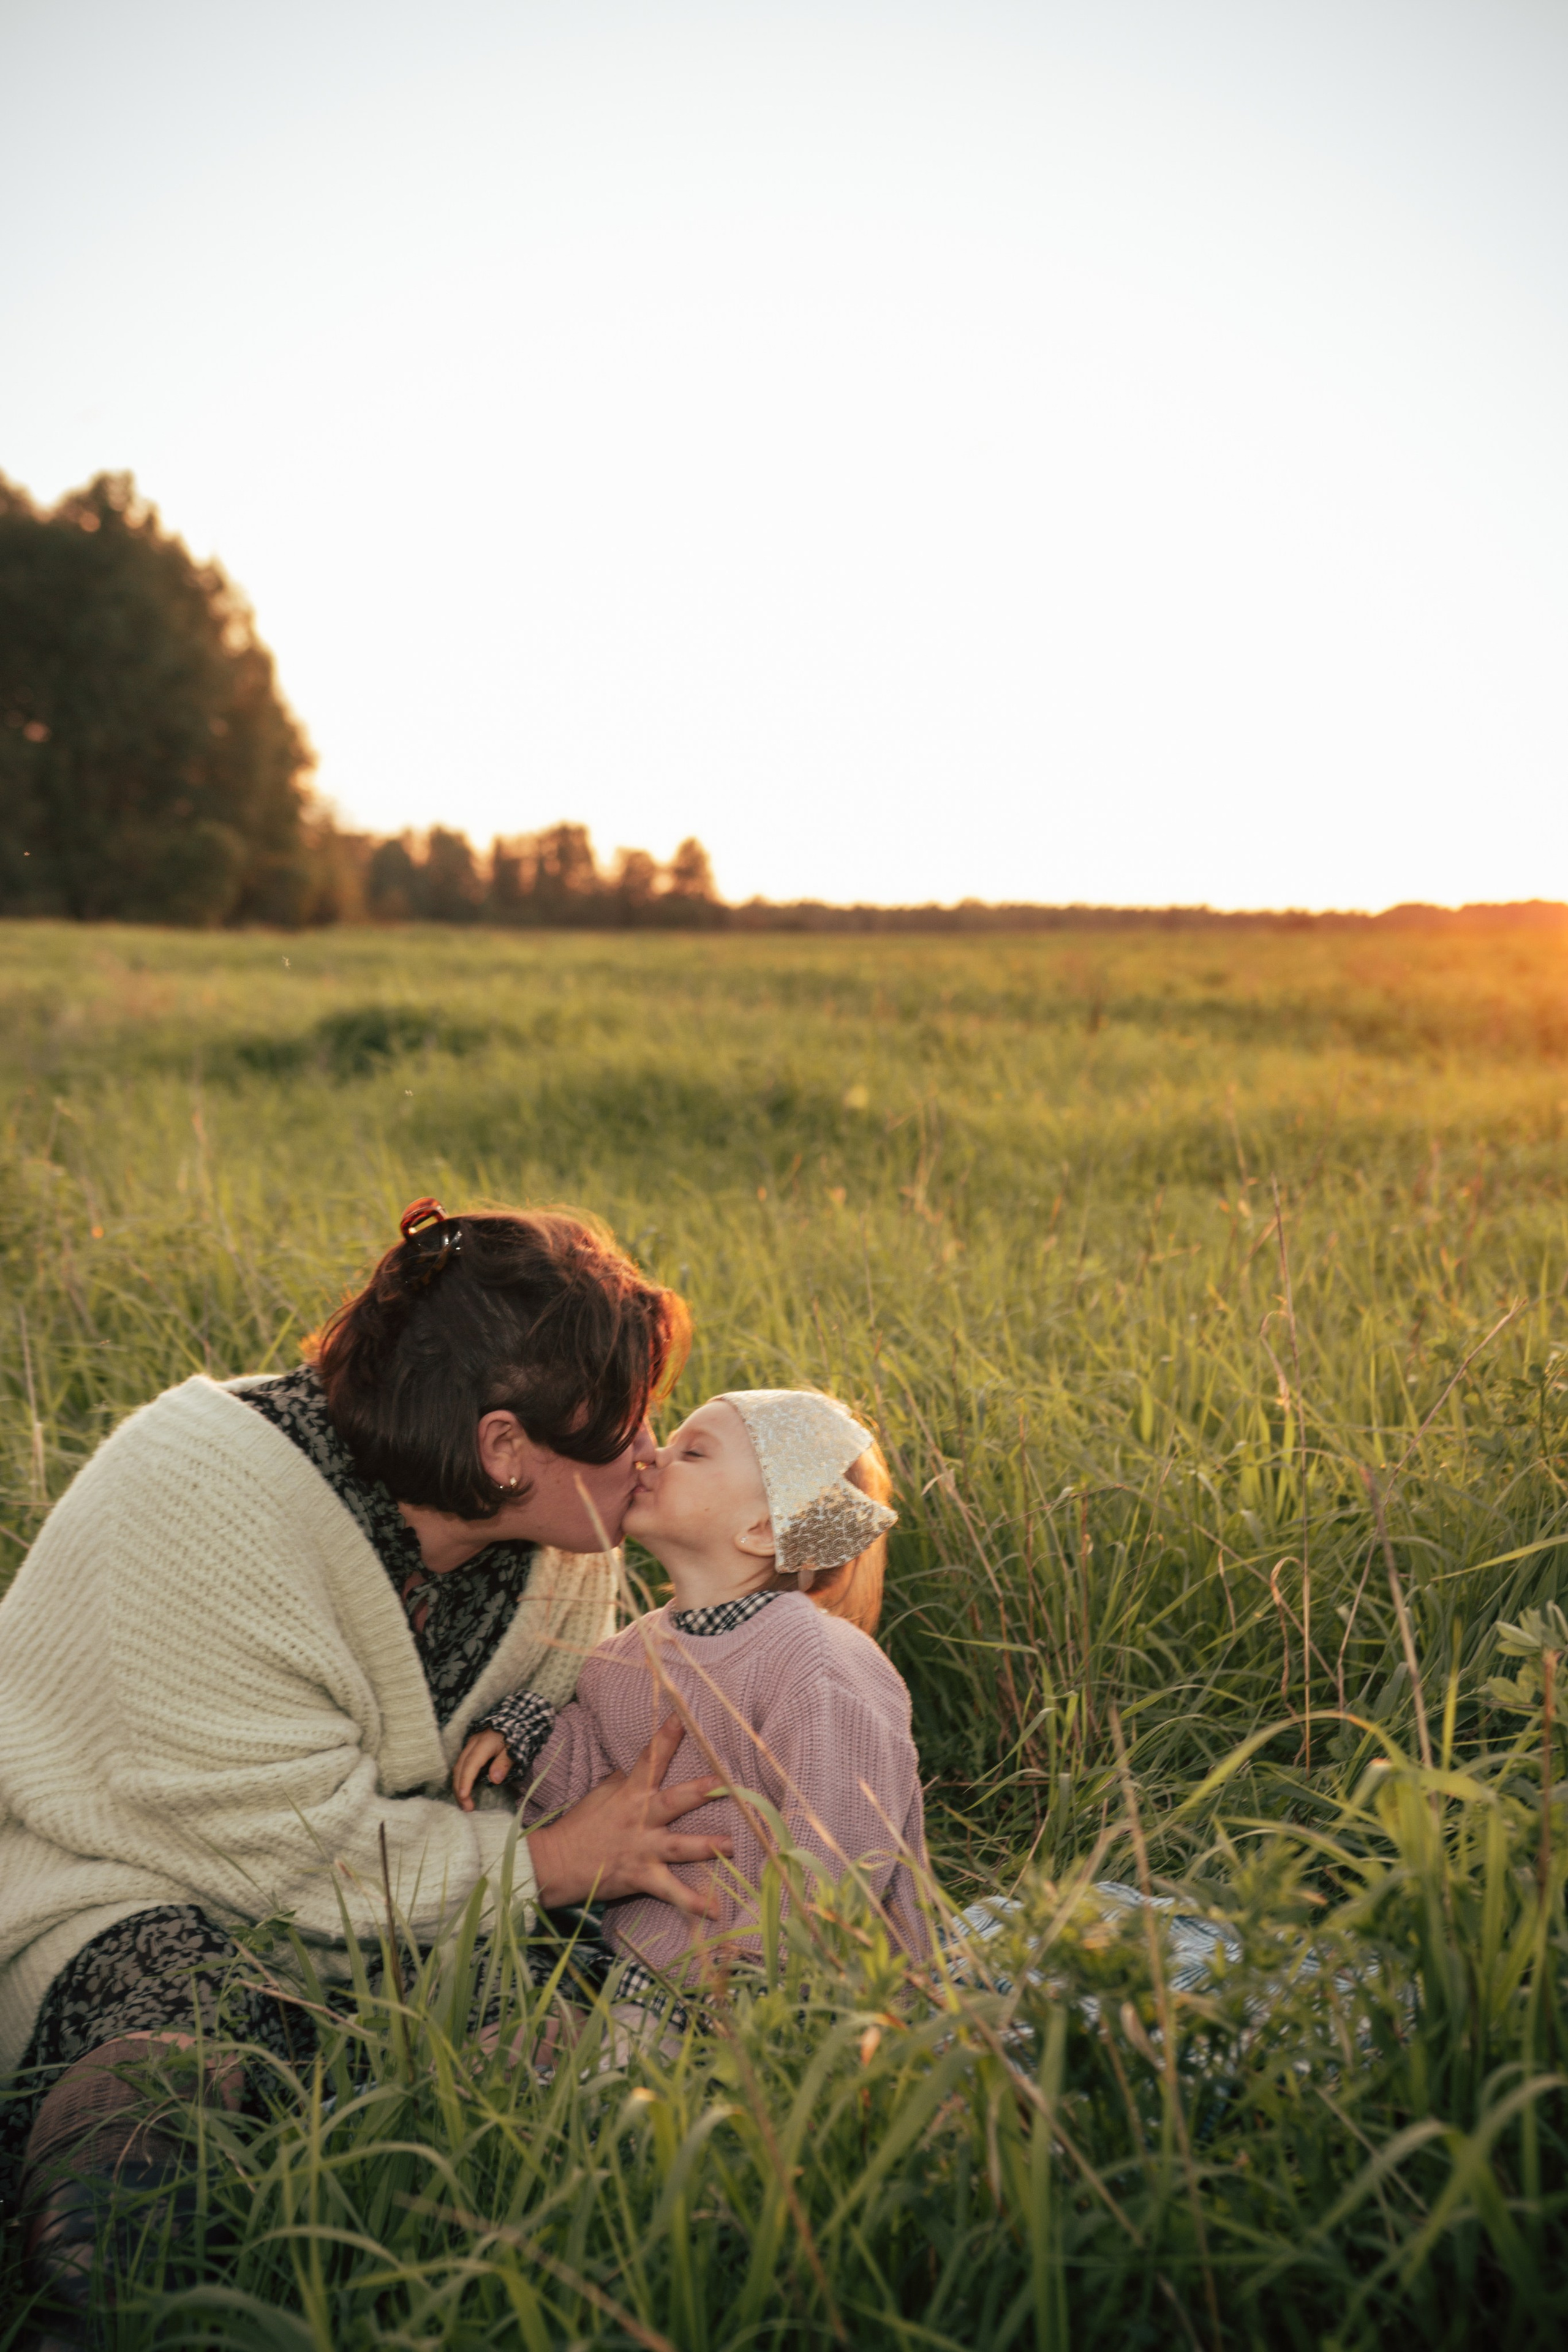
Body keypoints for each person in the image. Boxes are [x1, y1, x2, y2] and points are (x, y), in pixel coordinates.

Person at [0, 1198, 733, 2329]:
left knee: (606, 1988)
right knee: (181, 2019)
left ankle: (442, 2189)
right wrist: (544, 1865)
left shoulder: (554, 1540)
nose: (649, 1456)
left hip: (388, 1912)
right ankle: (100, 2287)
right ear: (502, 1447)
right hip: (123, 1887)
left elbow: (552, 1717)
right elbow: (292, 1849)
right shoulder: (203, 1497)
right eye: (624, 1432)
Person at [453, 1387, 930, 2018]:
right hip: (653, 1976)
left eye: (694, 1452)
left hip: (808, 1998)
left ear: (761, 1529)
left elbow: (839, 1844)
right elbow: (596, 1795)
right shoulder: (626, 1657)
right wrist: (526, 1736)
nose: (654, 1457)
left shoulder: (818, 1664)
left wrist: (764, 1983)